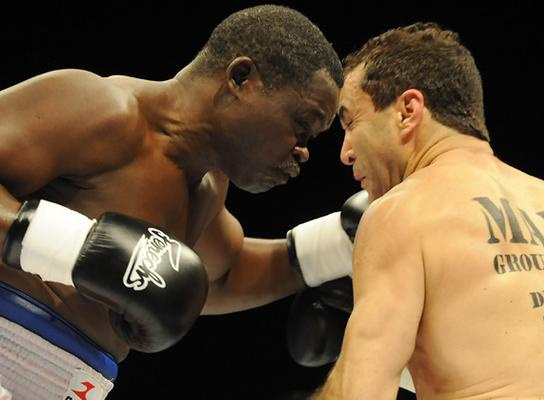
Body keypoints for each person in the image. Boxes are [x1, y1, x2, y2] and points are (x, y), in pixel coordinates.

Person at [0, 5, 345, 399]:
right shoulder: (99, 108)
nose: (302, 152)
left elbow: (218, 278)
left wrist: (337, 245)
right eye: (301, 125)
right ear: (241, 78)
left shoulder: (208, 189)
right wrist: (72, 246)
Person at [312, 22, 544, 399]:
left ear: (408, 110)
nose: (345, 151)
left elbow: (360, 392)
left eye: (350, 121)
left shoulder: (401, 211)